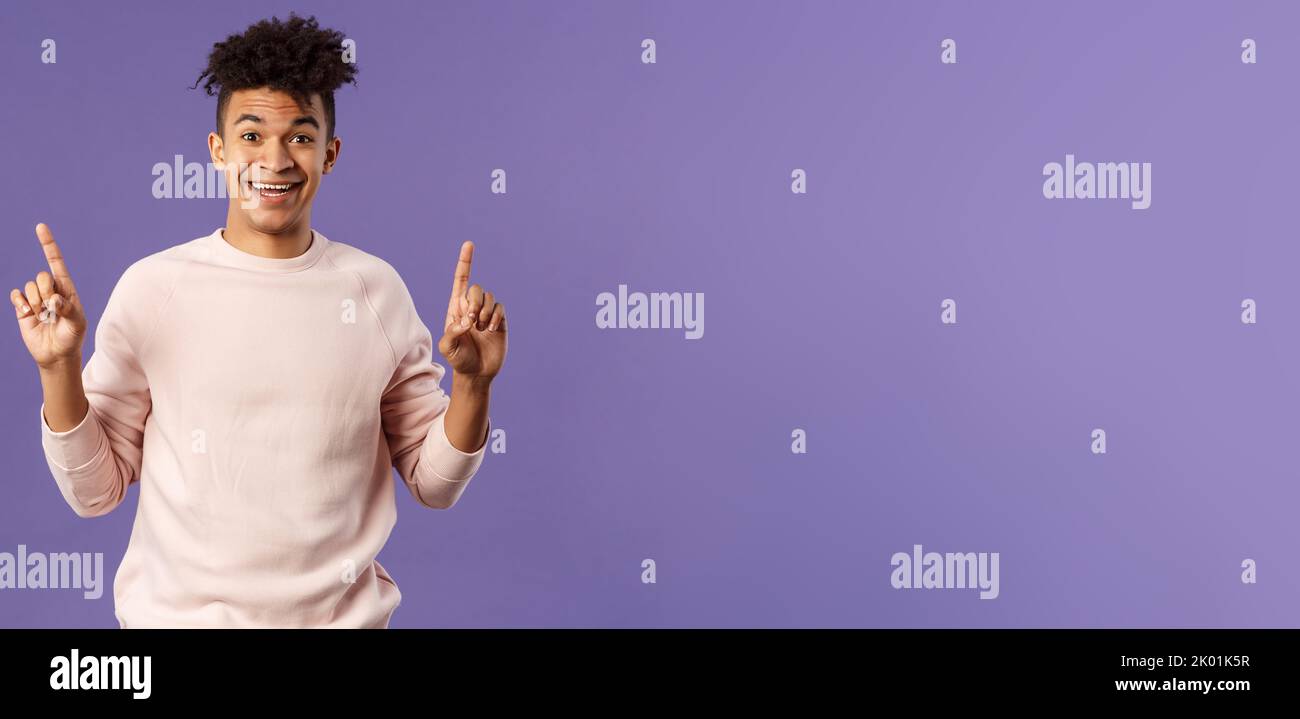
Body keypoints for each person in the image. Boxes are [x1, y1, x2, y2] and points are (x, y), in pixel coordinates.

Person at [7, 14, 507, 628]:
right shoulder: (154, 289)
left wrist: (473, 386)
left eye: (300, 136)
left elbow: (435, 484)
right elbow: (95, 493)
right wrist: (58, 368)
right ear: (217, 150)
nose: (274, 159)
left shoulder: (374, 291)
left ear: (330, 152)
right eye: (251, 136)